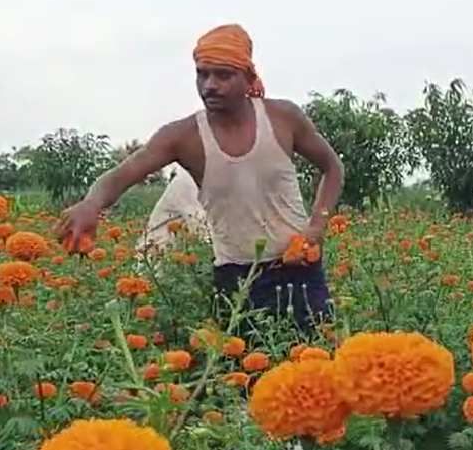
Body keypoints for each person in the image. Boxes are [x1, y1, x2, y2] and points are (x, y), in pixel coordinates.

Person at [56, 24, 344, 330]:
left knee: (319, 367)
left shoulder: (283, 118)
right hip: (236, 279)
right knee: (245, 375)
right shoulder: (183, 137)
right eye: (202, 73)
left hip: (299, 270)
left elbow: (333, 167)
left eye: (223, 75)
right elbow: (121, 175)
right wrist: (91, 203)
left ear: (248, 78)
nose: (209, 85)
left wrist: (317, 225)